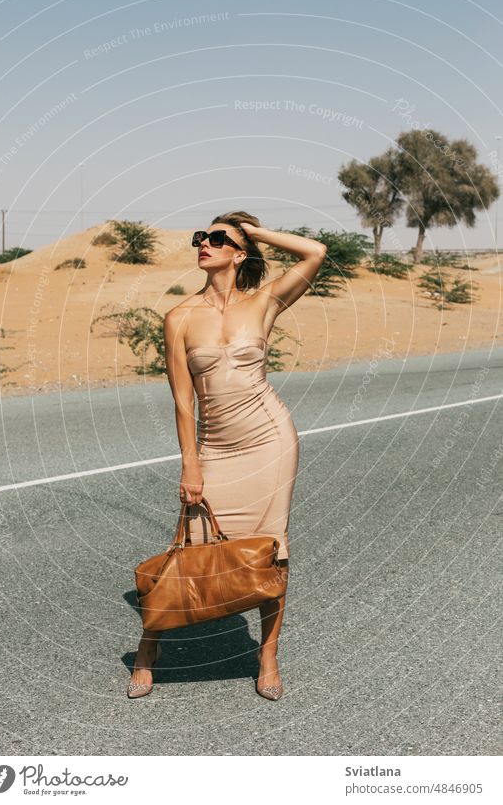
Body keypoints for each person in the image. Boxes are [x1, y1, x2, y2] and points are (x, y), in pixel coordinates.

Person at [127, 210, 326, 700]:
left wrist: (251, 231)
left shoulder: (264, 302)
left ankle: (268, 655)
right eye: (201, 237)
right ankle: (148, 648)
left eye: (218, 239)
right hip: (216, 444)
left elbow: (315, 252)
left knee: (271, 549)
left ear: (239, 254)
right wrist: (190, 462)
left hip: (270, 439)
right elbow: (182, 399)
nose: (205, 244)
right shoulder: (179, 318)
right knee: (192, 546)